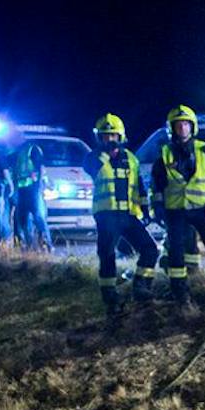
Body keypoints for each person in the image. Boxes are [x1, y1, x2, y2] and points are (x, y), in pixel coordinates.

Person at [150, 106, 205, 303]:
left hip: (201, 210)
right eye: (178, 125)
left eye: (186, 124)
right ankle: (181, 296)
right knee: (176, 255)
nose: (182, 128)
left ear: (192, 127)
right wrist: (158, 208)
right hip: (175, 211)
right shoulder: (164, 154)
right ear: (172, 128)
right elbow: (156, 185)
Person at [84, 114, 159, 314]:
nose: (109, 140)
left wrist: (145, 210)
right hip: (106, 216)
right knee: (107, 255)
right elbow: (91, 168)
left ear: (121, 136)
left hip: (128, 215)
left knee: (150, 249)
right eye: (105, 136)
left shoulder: (131, 159)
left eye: (113, 136)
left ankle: (141, 287)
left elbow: (140, 187)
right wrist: (106, 153)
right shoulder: (94, 157)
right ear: (99, 138)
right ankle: (110, 296)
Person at [7, 127, 51, 252]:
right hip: (21, 190)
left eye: (13, 138)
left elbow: (41, 169)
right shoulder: (15, 152)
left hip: (33, 189)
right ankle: (30, 247)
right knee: (23, 219)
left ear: (19, 138)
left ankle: (47, 245)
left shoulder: (32, 149)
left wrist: (39, 187)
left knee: (38, 217)